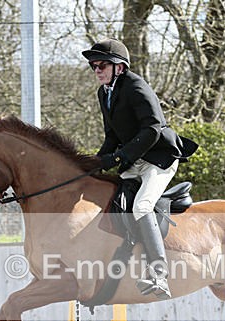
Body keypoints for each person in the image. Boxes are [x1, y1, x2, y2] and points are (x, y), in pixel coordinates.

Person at [82, 38, 196, 300]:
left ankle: (159, 273)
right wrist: (95, 163)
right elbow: (112, 136)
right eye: (93, 66)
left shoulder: (136, 87)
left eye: (102, 65)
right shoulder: (104, 93)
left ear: (119, 67)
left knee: (142, 206)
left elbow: (153, 129)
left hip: (159, 158)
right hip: (136, 160)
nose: (97, 70)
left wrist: (120, 156)